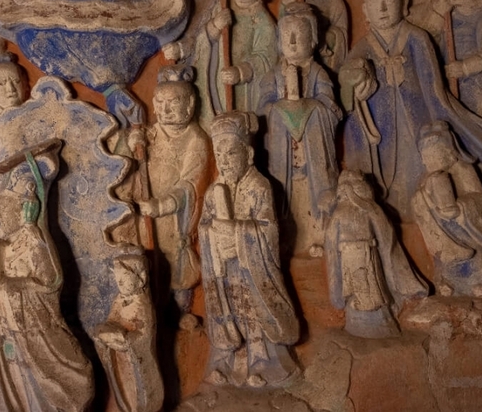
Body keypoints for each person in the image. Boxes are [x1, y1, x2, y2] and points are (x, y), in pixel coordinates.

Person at [338, 0, 482, 216]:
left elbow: (432, 85)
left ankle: (424, 209)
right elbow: (346, 78)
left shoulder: (417, 37)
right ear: (365, 10)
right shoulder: (364, 46)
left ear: (404, 2)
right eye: (375, 3)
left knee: (419, 163)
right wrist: (357, 82)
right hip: (379, 121)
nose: (382, 9)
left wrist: (441, 111)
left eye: (389, 1)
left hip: (416, 115)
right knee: (379, 161)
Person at [0, 140, 94, 412]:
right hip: (12, 325)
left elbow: (50, 282)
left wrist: (11, 286)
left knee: (45, 377)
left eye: (9, 206)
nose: (3, 214)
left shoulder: (33, 239)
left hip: (35, 323)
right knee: (18, 374)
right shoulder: (5, 243)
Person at [199, 112, 300, 389]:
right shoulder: (214, 191)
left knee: (254, 313)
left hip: (251, 270)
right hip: (225, 271)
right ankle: (228, 362)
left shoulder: (259, 186)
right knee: (230, 310)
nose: (224, 161)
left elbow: (269, 229)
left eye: (231, 153)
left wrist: (239, 233)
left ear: (249, 154)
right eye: (219, 154)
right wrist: (212, 235)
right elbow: (204, 226)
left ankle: (263, 364)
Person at [258, 3, 342, 257]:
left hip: (311, 154)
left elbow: (331, 109)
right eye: (287, 36)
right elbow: (263, 109)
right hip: (283, 155)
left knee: (316, 194)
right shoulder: (273, 76)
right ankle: (286, 238)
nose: (293, 42)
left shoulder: (318, 74)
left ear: (313, 40)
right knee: (284, 197)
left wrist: (310, 108)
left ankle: (319, 236)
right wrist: (280, 109)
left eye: (299, 35)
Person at [131, 65, 211, 327]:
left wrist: (163, 205)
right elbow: (128, 155)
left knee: (178, 265)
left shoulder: (196, 139)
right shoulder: (152, 133)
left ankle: (180, 310)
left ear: (189, 106)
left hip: (175, 217)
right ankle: (152, 308)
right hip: (147, 210)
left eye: (173, 103)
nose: (165, 110)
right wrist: (131, 142)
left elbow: (191, 184)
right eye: (160, 103)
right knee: (150, 258)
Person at [410, 121, 482, 300]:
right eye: (426, 157)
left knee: (476, 255)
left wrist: (461, 208)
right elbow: (419, 203)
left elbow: (478, 197)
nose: (430, 161)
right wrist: (426, 199)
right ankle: (451, 284)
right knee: (447, 260)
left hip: (465, 225)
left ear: (449, 153)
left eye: (435, 155)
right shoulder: (426, 179)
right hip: (443, 231)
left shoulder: (463, 169)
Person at [325, 171, 427, 338]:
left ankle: (378, 324)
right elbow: (331, 245)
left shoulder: (368, 210)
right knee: (358, 290)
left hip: (367, 255)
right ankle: (360, 324)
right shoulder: (345, 213)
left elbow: (385, 235)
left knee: (372, 289)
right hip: (351, 258)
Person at [159, 0, 230, 129]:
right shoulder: (175, 3)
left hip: (210, 74)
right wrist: (163, 7)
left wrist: (182, 48)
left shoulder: (218, 0)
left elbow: (204, 40)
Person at [94, 254, 163, 412]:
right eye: (118, 280)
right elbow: (111, 321)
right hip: (119, 357)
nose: (120, 284)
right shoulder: (119, 300)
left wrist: (126, 339)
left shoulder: (142, 304)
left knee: (137, 392)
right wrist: (103, 334)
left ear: (140, 279)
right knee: (121, 387)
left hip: (135, 358)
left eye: (124, 279)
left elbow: (144, 335)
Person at [216, 0, 280, 113]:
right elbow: (198, 36)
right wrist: (213, 26)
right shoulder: (219, 5)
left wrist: (241, 72)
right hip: (214, 82)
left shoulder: (264, 22)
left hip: (240, 93)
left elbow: (266, 58)